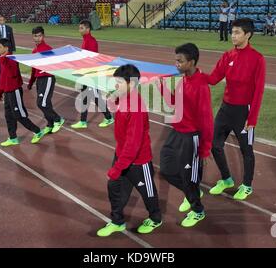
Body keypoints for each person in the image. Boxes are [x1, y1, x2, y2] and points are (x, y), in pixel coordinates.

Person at [96, 64, 162, 237]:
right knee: (114, 187)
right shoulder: (124, 98)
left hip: (139, 160)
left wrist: (118, 167)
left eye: (119, 82)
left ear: (131, 84)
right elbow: (112, 109)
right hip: (122, 154)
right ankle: (117, 221)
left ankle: (155, 218)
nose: (115, 85)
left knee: (148, 192)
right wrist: (113, 97)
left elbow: (133, 143)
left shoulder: (136, 106)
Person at [205, 18, 266, 201]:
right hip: (225, 109)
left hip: (243, 112)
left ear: (247, 35)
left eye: (237, 32)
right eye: (232, 32)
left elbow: (258, 91)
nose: (233, 35)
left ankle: (247, 185)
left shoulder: (257, 59)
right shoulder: (228, 55)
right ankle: (226, 179)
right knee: (214, 144)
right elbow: (214, 78)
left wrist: (252, 119)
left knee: (246, 150)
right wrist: (194, 73)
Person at [156, 43, 213, 228]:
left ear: (192, 62)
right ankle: (192, 191)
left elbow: (207, 120)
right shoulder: (184, 80)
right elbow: (174, 103)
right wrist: (161, 86)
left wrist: (205, 149)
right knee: (165, 168)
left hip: (192, 137)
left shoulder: (201, 85)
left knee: (189, 177)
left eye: (180, 61)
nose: (176, 64)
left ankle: (197, 210)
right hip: (177, 132)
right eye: (176, 60)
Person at [0, 38, 45, 147]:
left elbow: (12, 74)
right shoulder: (2, 58)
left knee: (19, 115)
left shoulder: (12, 59)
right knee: (8, 115)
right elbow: (3, 77)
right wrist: (0, 90)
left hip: (14, 91)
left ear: (6, 48)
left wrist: (3, 60)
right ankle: (13, 138)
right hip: (7, 91)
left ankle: (37, 131)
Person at [71, 20, 114, 129]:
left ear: (88, 29)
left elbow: (93, 60)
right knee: (85, 96)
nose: (79, 30)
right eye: (79, 28)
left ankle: (109, 117)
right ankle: (83, 121)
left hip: (92, 74)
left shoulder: (91, 41)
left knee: (96, 97)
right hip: (86, 73)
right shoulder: (85, 40)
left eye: (81, 28)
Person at [27, 26, 64, 135]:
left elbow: (55, 64)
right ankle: (50, 124)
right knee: (46, 103)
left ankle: (58, 119)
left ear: (43, 36)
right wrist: (30, 83)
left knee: (41, 103)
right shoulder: (34, 51)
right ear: (32, 37)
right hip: (39, 80)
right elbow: (33, 69)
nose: (37, 38)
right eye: (35, 36)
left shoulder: (48, 49)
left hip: (48, 78)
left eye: (39, 36)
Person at [0, 15, 16, 84]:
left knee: (9, 64)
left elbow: (12, 39)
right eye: (0, 20)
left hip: (8, 48)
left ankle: (9, 78)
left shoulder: (9, 28)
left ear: (5, 20)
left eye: (2, 20)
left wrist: (13, 48)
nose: (1, 21)